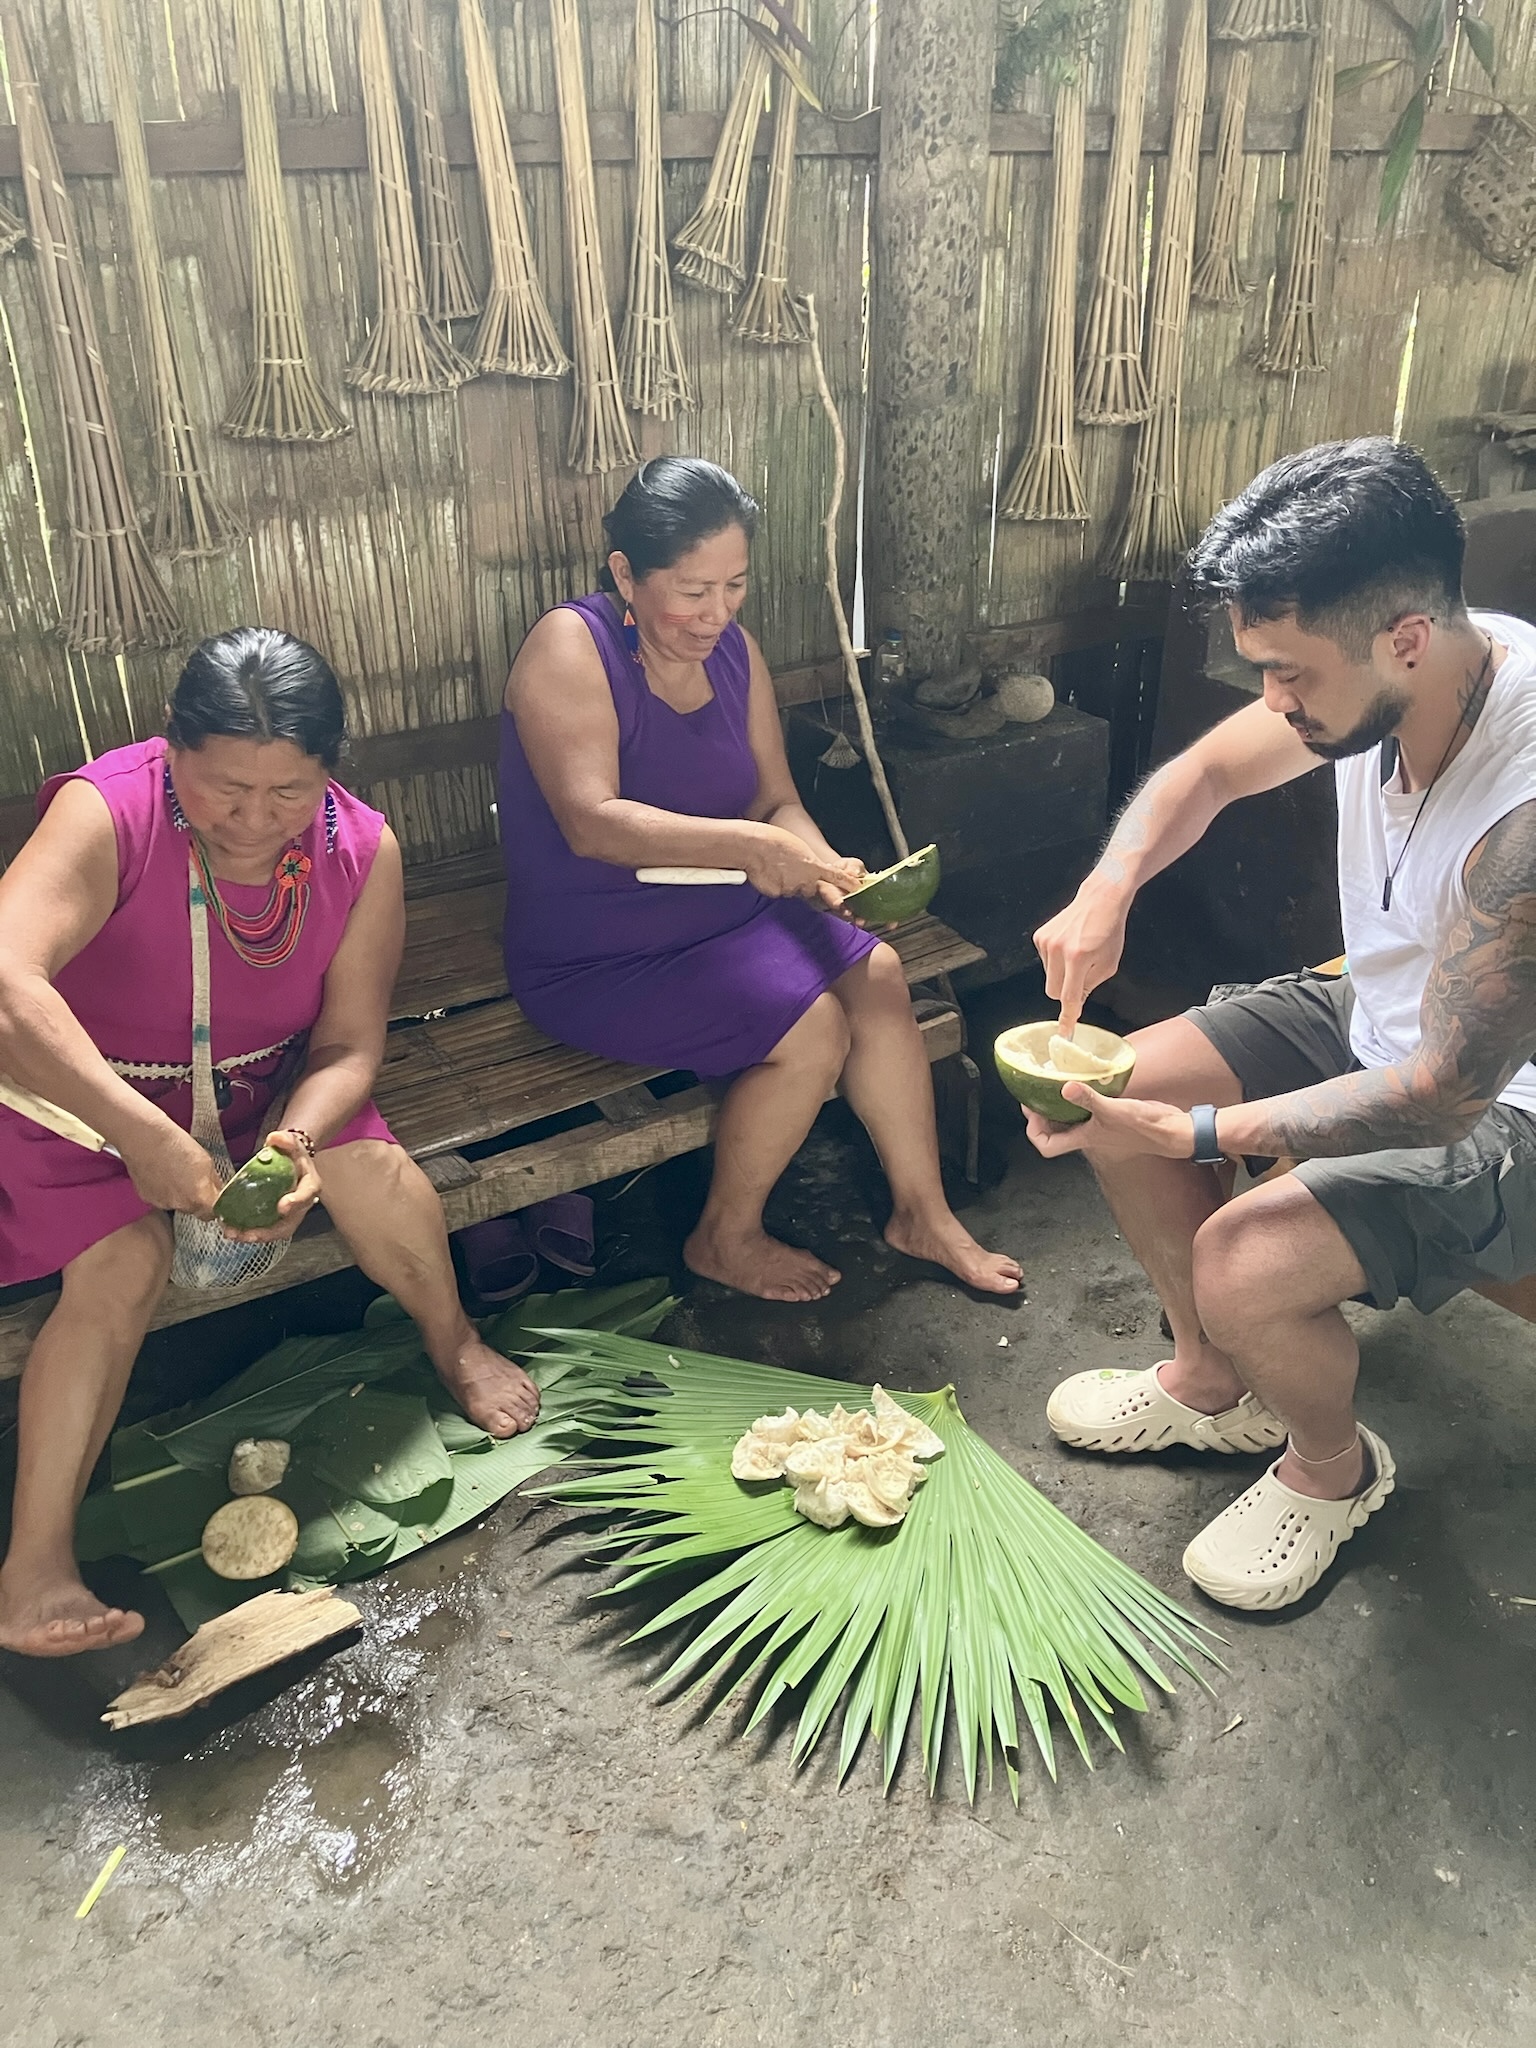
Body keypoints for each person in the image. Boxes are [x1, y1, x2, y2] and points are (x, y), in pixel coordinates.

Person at [1026, 437, 1536, 1611]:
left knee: (1241, 1256)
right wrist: (1110, 887)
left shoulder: (1519, 812)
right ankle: (1213, 1379)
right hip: (1387, 1011)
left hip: (1503, 1102)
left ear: (1405, 636)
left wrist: (1208, 1133)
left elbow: (1449, 1090)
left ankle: (1331, 1468)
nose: (1275, 702)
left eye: (1291, 675)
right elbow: (1202, 775)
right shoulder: (1393, 664)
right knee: (1105, 1088)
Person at [0, 629, 538, 1658]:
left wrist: (296, 1138)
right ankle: (33, 1567)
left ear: (329, 771)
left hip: (254, 1096)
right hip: (76, 1098)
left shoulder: (362, 847)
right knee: (120, 1263)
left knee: (370, 1168)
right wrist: (140, 1132)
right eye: (224, 787)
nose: (253, 818)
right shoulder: (108, 811)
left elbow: (347, 1043)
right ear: (172, 754)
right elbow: (7, 982)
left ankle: (455, 1340)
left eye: (288, 791)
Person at [500, 456, 1019, 1304]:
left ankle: (922, 1213)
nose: (715, 614)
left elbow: (775, 799)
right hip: (599, 943)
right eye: (692, 589)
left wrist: (820, 868)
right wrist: (751, 849)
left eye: (734, 586)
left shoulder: (737, 653)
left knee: (879, 973)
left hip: (723, 911)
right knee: (811, 1029)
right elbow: (589, 822)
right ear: (625, 572)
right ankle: (725, 1236)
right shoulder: (571, 645)